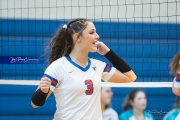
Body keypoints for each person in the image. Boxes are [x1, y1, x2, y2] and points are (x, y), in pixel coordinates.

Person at [30, 18, 137, 120]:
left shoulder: (98, 66)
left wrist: (108, 53)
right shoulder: (58, 67)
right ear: (77, 37)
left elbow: (130, 77)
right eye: (92, 33)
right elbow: (35, 104)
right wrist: (43, 92)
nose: (97, 36)